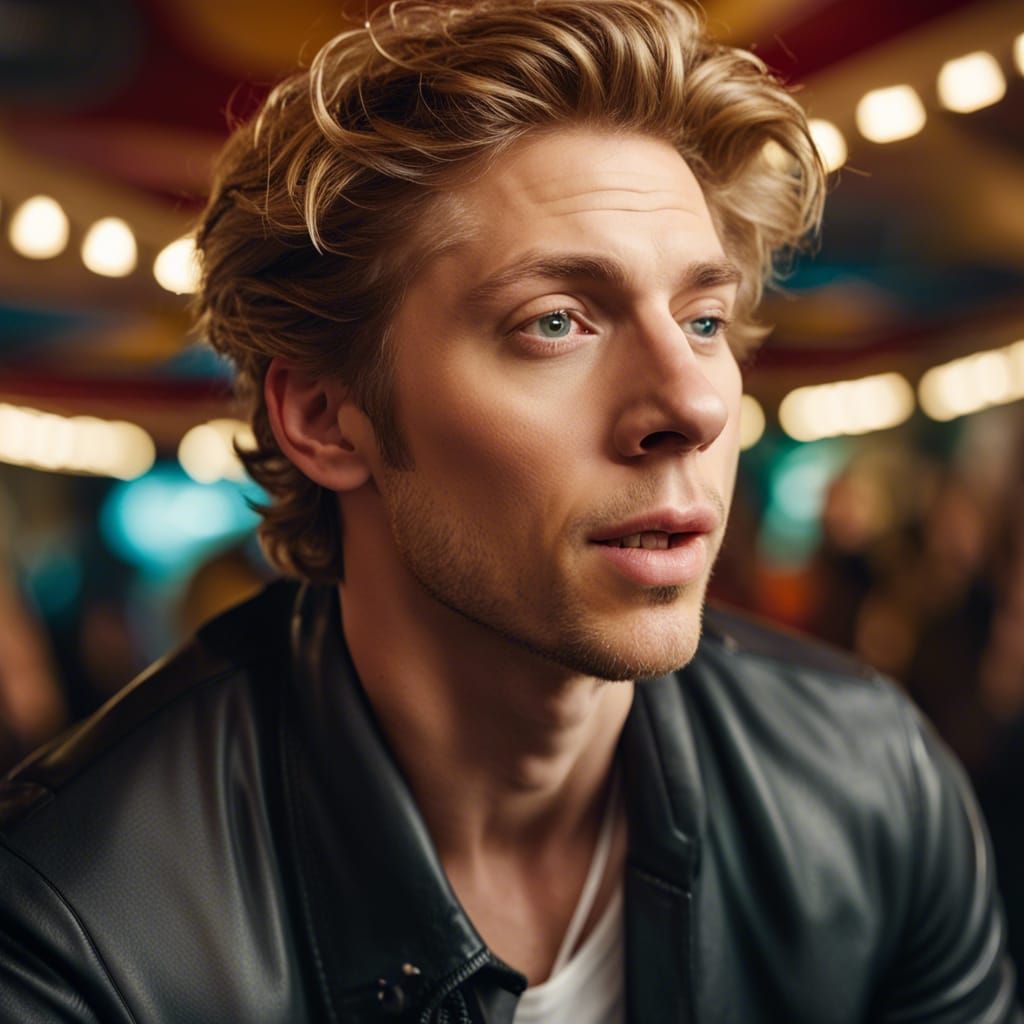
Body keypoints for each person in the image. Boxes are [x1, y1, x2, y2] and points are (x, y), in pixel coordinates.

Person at [0, 2, 1018, 1021]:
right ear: (324, 415)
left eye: (702, 319)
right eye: (556, 322)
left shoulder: (872, 780)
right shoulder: (74, 919)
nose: (696, 405)